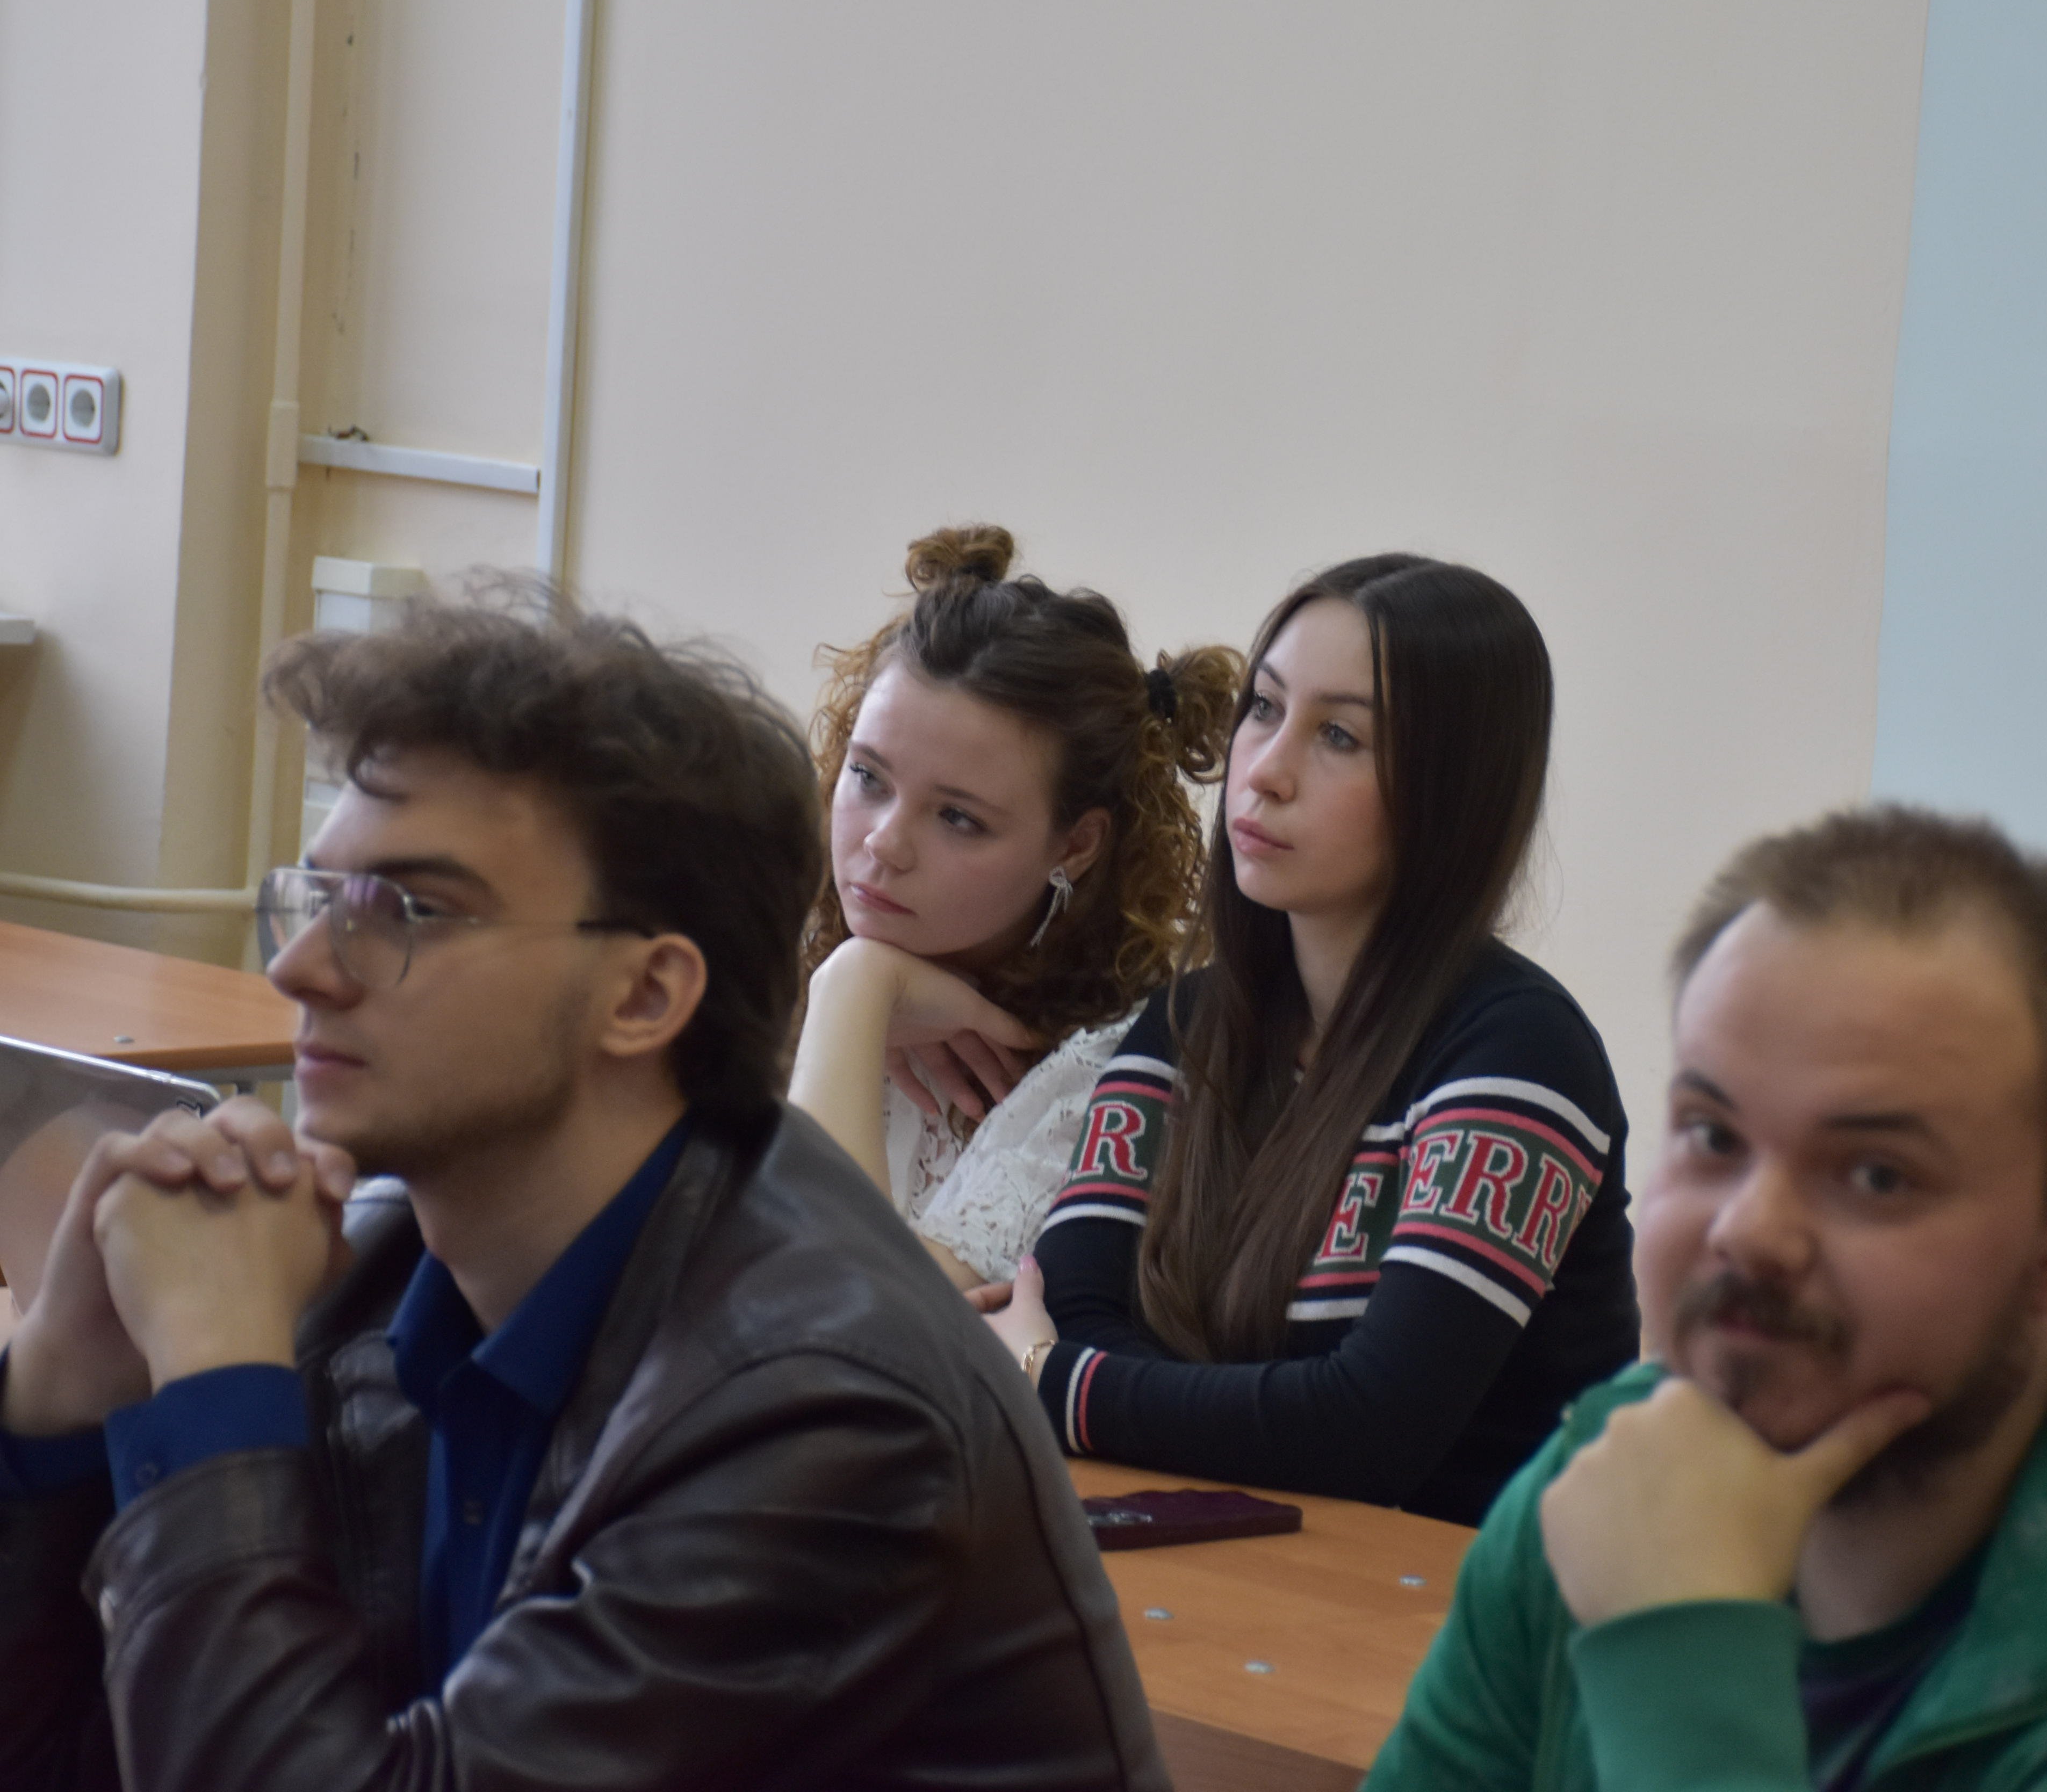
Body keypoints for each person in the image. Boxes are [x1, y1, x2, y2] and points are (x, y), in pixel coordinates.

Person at [0, 592, 1167, 1791]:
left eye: (412, 911)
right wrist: (52, 1402)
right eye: (322, 898)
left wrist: (214, 1382)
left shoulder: (830, 1406)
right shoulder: (383, 1267)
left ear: (644, 996)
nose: (301, 968)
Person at [1366, 805, 2047, 1792]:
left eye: (1877, 1174)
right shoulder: (1613, 1481)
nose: (1751, 1230)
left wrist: (1678, 1653)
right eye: (1713, 1134)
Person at [987, 555, 1638, 1526]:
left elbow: (1370, 1431)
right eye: (1264, 708)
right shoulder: (1185, 1026)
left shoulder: (1519, 1053)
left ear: (1452, 791)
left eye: (1340, 736)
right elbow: (1074, 1305)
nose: (1265, 771)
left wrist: (1056, 1382)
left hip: (1460, 1602)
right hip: (1233, 1567)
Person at [786, 525, 1236, 1285]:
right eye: (868, 777)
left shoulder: (1114, 1076)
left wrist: (856, 985)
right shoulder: (762, 954)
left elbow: (836, 1311)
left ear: (1076, 847)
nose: (883, 843)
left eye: (957, 817)